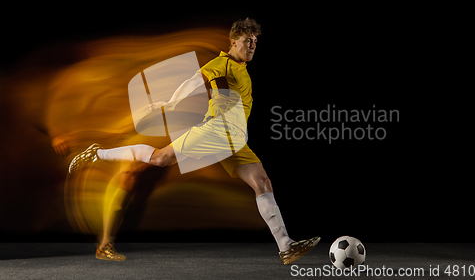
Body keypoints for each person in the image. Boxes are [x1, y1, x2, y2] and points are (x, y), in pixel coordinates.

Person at [68, 18, 319, 264]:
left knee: (262, 181)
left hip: (235, 139)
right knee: (159, 158)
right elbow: (195, 80)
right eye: (247, 41)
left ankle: (286, 247)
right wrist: (171, 102)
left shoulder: (240, 69)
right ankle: (97, 153)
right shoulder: (223, 62)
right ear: (233, 42)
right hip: (217, 130)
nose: (253, 45)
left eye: (255, 41)